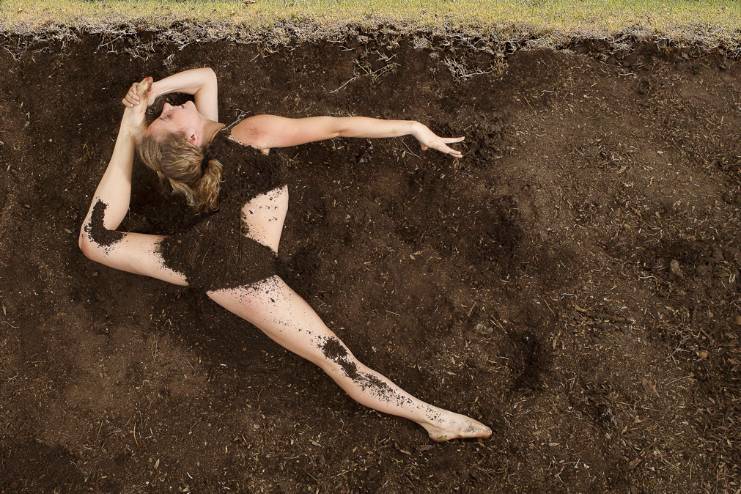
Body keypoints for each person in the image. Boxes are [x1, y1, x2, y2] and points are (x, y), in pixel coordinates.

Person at [79, 67, 492, 442]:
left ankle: (432, 419)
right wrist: (412, 127)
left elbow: (206, 77)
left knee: (94, 238)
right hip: (240, 273)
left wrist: (146, 99)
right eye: (166, 117)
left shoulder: (215, 144)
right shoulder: (248, 133)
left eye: (164, 109)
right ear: (190, 139)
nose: (168, 107)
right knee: (338, 360)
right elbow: (337, 127)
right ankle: (434, 420)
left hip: (204, 251)